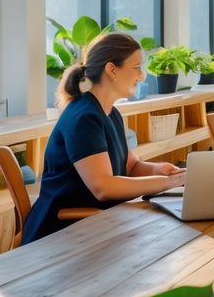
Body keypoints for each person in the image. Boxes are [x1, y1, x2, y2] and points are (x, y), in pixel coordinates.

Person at [21, 33, 185, 244]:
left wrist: (161, 170)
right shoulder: (84, 117)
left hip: (96, 226)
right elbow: (103, 188)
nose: (142, 76)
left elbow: (131, 166)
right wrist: (167, 183)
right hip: (61, 234)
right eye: (136, 67)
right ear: (111, 70)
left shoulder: (110, 113)